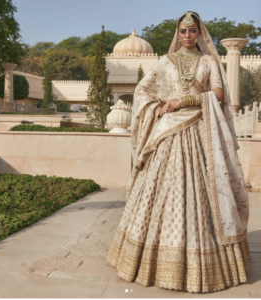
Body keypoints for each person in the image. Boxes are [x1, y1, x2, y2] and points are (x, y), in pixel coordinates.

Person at [106, 11, 250, 293]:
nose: (187, 36)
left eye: (192, 31)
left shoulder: (209, 61)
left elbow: (218, 95)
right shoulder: (165, 62)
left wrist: (183, 100)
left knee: (202, 191)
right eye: (183, 31)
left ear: (200, 32)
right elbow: (143, 91)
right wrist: (156, 108)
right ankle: (151, 260)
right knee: (162, 190)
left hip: (200, 131)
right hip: (168, 135)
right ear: (177, 33)